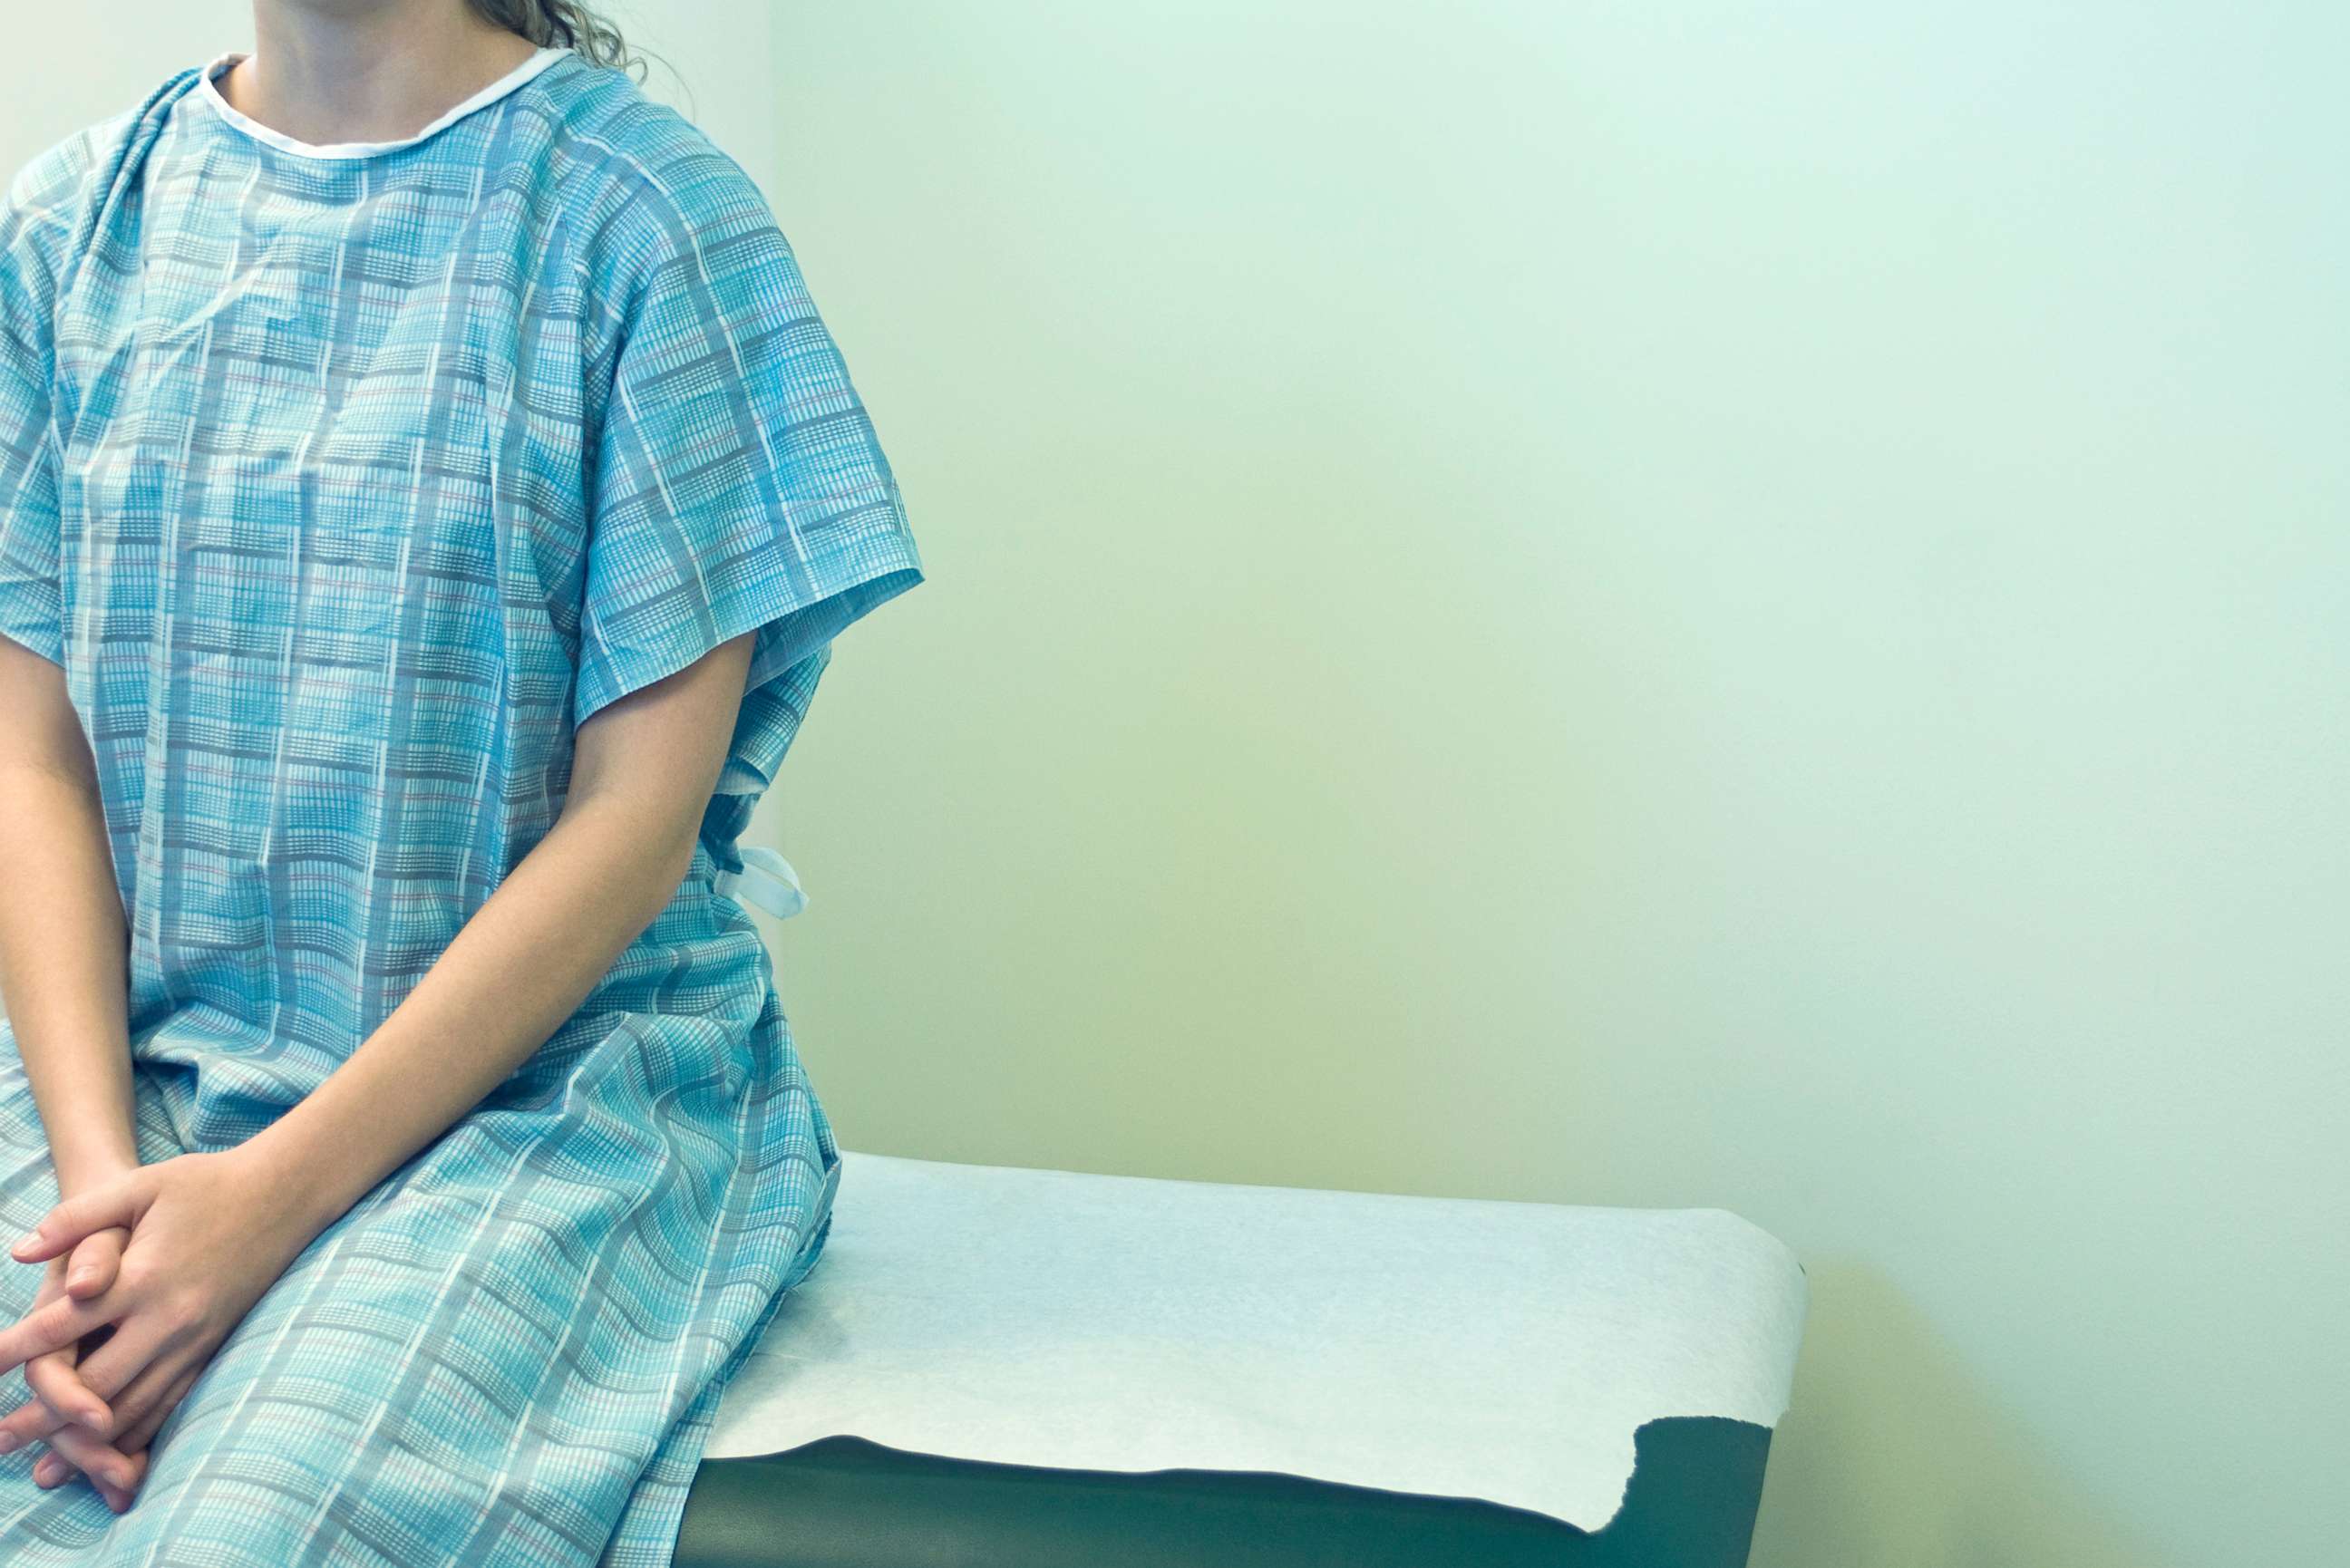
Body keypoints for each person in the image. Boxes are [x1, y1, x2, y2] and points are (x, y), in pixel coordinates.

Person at [0, 1, 925, 1561]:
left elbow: (635, 826)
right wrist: (107, 1213)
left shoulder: (648, 227)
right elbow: (35, 759)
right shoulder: (72, 229)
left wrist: (262, 1206)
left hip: (541, 1100)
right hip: (125, 1076)